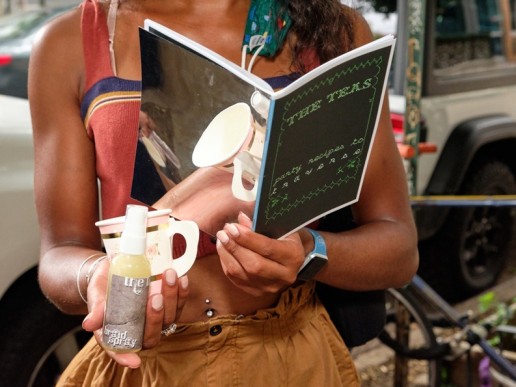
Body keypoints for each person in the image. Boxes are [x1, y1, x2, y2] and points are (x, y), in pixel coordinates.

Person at [29, 0, 419, 385]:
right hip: (143, 368)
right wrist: (97, 276)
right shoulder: (73, 42)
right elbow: (59, 253)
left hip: (293, 362)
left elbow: (398, 250)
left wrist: (309, 252)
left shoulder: (334, 31)